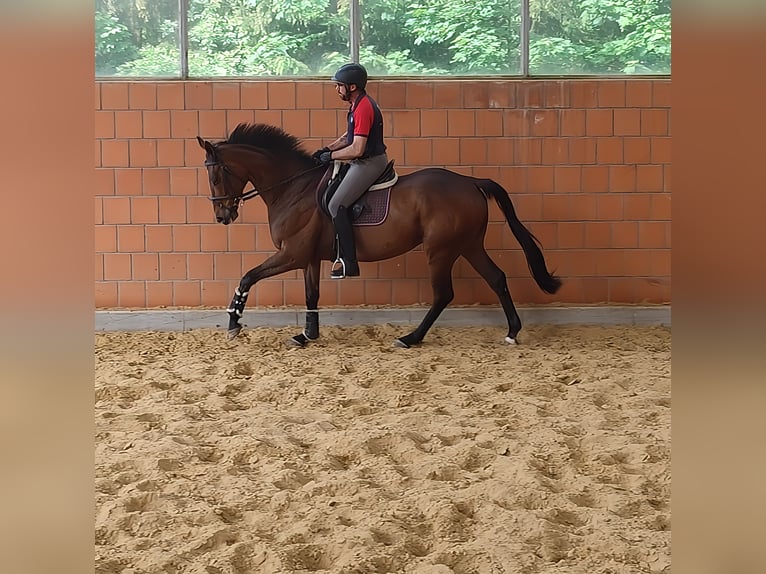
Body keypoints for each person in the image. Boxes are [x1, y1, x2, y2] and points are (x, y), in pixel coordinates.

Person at [312, 63, 388, 279]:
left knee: (336, 204)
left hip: (369, 162)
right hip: (361, 160)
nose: (337, 90)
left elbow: (357, 148)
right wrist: (326, 149)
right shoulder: (356, 105)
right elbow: (348, 138)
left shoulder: (364, 108)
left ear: (352, 86)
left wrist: (331, 157)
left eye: (340, 86)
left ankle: (349, 262)